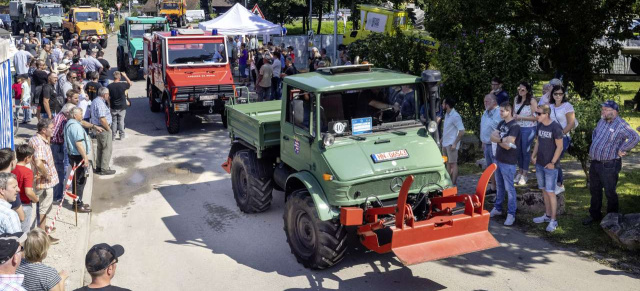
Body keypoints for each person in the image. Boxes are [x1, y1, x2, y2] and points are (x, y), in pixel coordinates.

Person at [583, 101, 640, 225]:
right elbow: (595, 133)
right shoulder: (602, 120)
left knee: (610, 192)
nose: (602, 112)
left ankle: (611, 219)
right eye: (602, 109)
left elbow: (635, 137)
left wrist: (623, 148)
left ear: (614, 111)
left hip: (609, 164)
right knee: (595, 190)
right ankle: (595, 215)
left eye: (605, 109)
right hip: (595, 163)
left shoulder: (621, 124)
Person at [530, 104, 564, 232]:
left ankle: (553, 220)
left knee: (550, 192)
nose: (536, 116)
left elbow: (559, 147)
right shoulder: (539, 125)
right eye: (536, 113)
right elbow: (538, 141)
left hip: (550, 166)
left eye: (539, 114)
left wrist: (553, 163)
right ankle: (547, 215)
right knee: (544, 190)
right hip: (539, 163)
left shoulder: (555, 127)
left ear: (546, 114)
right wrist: (533, 155)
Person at [27, 119, 59, 243]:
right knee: (43, 208)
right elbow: (39, 163)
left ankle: (42, 226)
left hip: (40, 181)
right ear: (44, 130)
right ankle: (43, 236)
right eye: (51, 128)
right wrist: (47, 175)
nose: (53, 130)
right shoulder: (40, 143)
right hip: (44, 182)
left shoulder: (35, 139)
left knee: (42, 207)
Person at [489, 102, 521, 226]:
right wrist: (502, 140)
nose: (500, 113)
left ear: (509, 111)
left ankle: (511, 213)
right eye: (500, 111)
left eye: (502, 111)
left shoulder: (515, 126)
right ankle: (498, 208)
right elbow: (492, 137)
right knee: (500, 186)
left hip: (508, 161)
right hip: (498, 159)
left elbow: (509, 146)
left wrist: (499, 140)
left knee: (509, 188)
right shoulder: (501, 123)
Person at [65, 107, 92, 213]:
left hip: (75, 155)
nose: (82, 116)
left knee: (79, 180)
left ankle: (79, 200)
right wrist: (85, 158)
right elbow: (78, 143)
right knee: (79, 181)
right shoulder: (75, 126)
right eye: (81, 114)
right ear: (75, 115)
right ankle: (77, 204)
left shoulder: (71, 123)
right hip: (78, 156)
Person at [549, 85, 575, 194]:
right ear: (552, 95)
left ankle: (559, 183)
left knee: (556, 159)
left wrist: (561, 133)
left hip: (563, 137)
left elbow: (571, 123)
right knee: (553, 159)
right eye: (555, 94)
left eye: (560, 94)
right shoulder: (550, 106)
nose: (558, 96)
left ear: (563, 95)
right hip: (551, 137)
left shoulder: (567, 106)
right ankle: (554, 182)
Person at [513, 81, 538, 186]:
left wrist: (521, 117)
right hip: (518, 128)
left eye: (523, 89)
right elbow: (514, 112)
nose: (520, 91)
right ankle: (520, 171)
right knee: (518, 151)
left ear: (527, 90)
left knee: (525, 150)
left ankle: (525, 174)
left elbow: (536, 117)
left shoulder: (532, 101)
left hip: (529, 128)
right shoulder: (516, 99)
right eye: (519, 89)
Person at [11, 145, 38, 234]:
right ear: (27, 158)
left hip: (11, 203)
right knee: (24, 231)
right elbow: (28, 192)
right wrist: (36, 199)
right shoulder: (27, 172)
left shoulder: (11, 168)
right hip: (24, 204)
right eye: (31, 157)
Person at [441, 98, 465, 186]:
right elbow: (448, 129)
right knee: (447, 163)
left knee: (453, 164)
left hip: (451, 144)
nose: (442, 105)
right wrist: (442, 139)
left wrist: (455, 143)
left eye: (443, 104)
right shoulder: (447, 114)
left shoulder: (455, 116)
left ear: (447, 105)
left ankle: (453, 183)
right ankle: (448, 182)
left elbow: (462, 131)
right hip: (445, 143)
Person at [480, 94, 502, 194]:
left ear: (494, 102)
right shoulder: (485, 112)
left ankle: (499, 190)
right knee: (490, 168)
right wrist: (483, 141)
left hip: (495, 144)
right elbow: (483, 127)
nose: (485, 103)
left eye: (487, 101)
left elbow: (497, 127)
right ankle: (493, 187)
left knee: (496, 167)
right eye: (484, 101)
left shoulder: (498, 112)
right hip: (486, 144)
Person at [92, 88, 115, 175]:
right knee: (107, 148)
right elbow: (102, 119)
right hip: (103, 127)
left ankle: (99, 166)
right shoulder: (100, 103)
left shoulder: (95, 100)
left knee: (100, 148)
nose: (109, 96)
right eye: (108, 94)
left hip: (98, 127)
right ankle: (104, 169)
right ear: (105, 94)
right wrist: (108, 129)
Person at [107, 71, 132, 141]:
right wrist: (125, 76)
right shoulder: (123, 85)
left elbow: (107, 96)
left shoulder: (109, 86)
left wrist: (109, 104)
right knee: (121, 121)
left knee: (114, 121)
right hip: (122, 106)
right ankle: (121, 135)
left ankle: (113, 136)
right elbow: (130, 83)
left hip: (113, 106)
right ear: (119, 77)